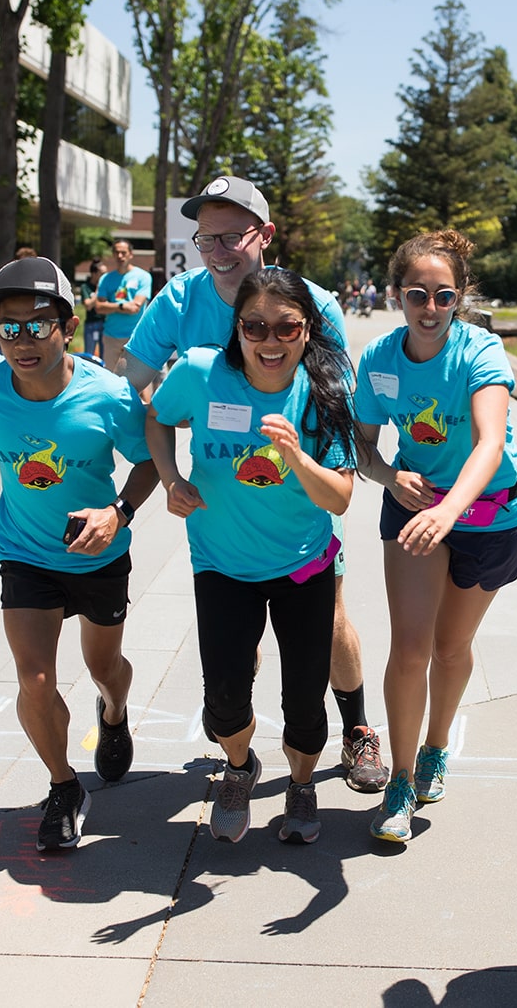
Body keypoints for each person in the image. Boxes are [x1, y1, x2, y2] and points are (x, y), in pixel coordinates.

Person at [122, 175, 385, 793]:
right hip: (224, 497)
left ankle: (356, 730)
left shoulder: (313, 302)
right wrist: (169, 466)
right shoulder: (181, 298)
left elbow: (335, 401)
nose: (216, 249)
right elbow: (133, 382)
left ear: (264, 235)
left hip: (303, 487)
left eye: (230, 235)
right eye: (205, 237)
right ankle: (240, 729)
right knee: (237, 635)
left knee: (330, 617)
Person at [0, 257, 159, 852]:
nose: (22, 341)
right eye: (9, 328)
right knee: (34, 678)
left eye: (37, 326)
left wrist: (119, 513)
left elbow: (150, 463)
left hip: (96, 555)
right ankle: (64, 785)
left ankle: (114, 713)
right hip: (25, 551)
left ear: (68, 325)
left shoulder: (109, 396)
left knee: (103, 669)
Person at [146, 267, 358, 844]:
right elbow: (157, 420)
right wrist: (169, 479)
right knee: (223, 699)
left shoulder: (324, 389)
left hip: (303, 563)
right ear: (236, 329)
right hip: (220, 562)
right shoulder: (198, 372)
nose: (270, 341)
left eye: (286, 328)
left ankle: (302, 784)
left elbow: (339, 498)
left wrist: (295, 454)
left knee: (305, 699)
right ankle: (239, 768)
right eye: (254, 326)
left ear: (307, 331)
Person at [354, 231, 517, 842]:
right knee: (410, 649)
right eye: (417, 295)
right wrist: (387, 474)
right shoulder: (379, 358)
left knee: (450, 648)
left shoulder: (481, 352)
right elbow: (362, 444)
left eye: (444, 296)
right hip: (415, 510)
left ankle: (436, 747)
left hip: (489, 515)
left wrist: (451, 509)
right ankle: (401, 780)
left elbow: (488, 441)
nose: (430, 309)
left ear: (461, 298)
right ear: (397, 295)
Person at [93, 239, 152, 369]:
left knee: (140, 380)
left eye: (123, 252)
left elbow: (135, 307)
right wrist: (121, 306)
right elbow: (99, 307)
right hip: (111, 336)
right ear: (113, 254)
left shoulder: (143, 277)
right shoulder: (106, 279)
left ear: (131, 254)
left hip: (135, 336)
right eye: (117, 252)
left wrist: (110, 306)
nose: (120, 256)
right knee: (111, 378)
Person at [80, 260, 105, 360]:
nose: (105, 276)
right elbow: (88, 305)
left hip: (105, 324)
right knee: (89, 355)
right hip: (91, 324)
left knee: (105, 355)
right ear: (94, 273)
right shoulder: (86, 287)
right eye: (102, 274)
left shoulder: (107, 287)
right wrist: (98, 289)